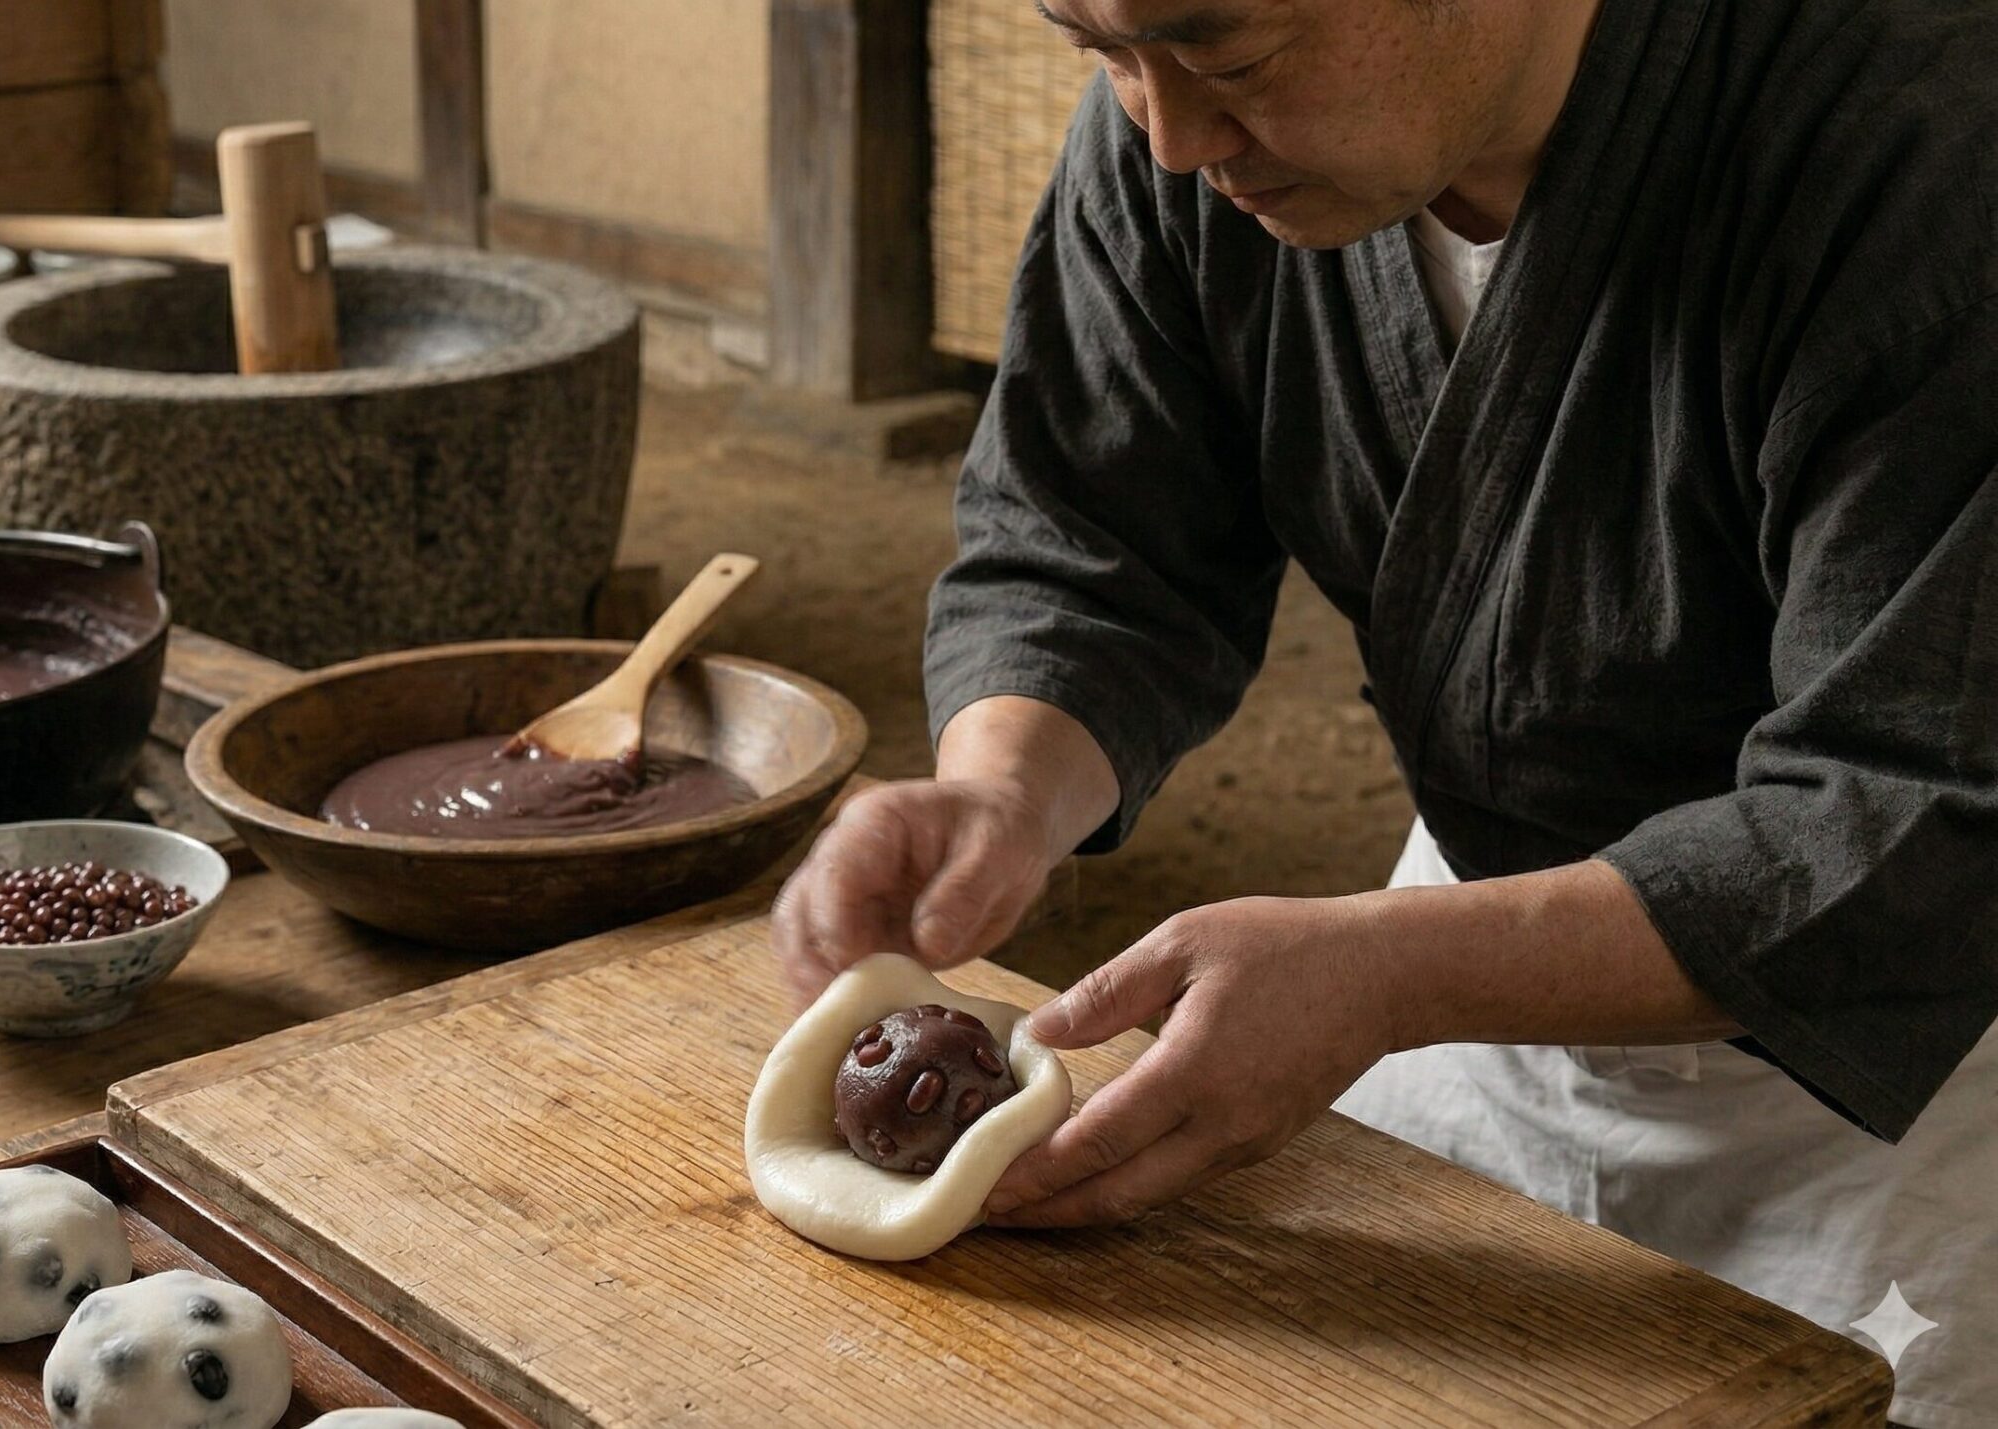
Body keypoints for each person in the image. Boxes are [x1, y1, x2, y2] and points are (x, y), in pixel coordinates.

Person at [768, 0, 1997, 1421]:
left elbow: (1917, 802)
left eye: (1227, 56)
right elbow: (1092, 540)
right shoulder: (1180, 128)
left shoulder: (1924, 140)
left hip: (1914, 1068)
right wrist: (1003, 789)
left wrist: (1389, 975)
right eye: (1095, 48)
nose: (1168, 135)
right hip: (1457, 970)